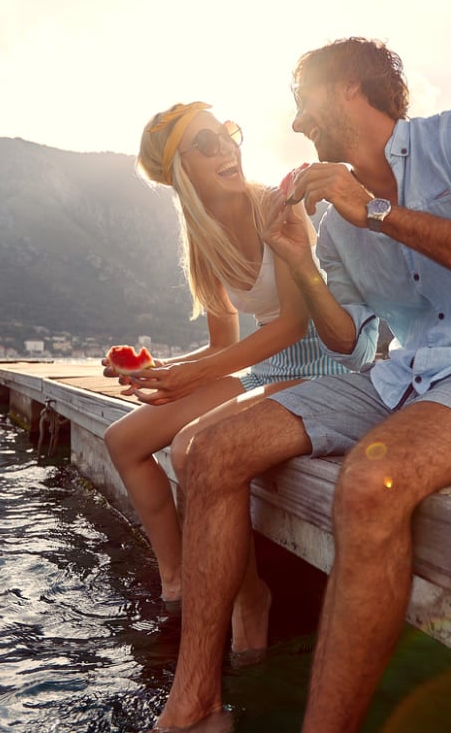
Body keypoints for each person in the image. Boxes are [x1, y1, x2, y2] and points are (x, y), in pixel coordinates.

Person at [152, 38, 451, 732]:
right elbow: (347, 339)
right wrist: (302, 262)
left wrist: (372, 209)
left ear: (348, 86)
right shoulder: (332, 217)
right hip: (400, 376)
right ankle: (192, 709)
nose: (296, 126)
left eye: (302, 103)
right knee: (207, 453)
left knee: (369, 485)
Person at [102, 101, 348, 655]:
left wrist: (189, 376)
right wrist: (155, 371)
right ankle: (178, 584)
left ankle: (249, 598)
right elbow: (223, 347)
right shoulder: (204, 241)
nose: (227, 147)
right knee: (124, 439)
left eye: (228, 133)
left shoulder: (272, 206)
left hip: (325, 361)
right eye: (207, 143)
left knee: (193, 446)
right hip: (269, 364)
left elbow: (291, 324)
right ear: (180, 171)